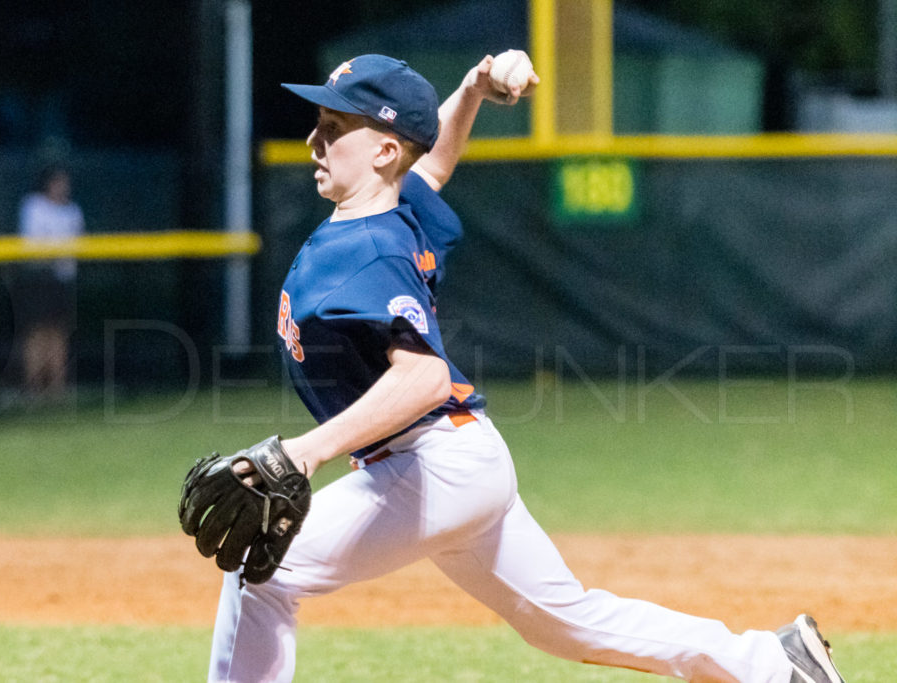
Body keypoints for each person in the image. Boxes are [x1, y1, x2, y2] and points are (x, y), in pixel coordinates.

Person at [208, 54, 846, 683]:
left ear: (382, 153)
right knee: (567, 622)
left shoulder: (370, 252)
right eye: (319, 120)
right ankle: (774, 663)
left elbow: (425, 377)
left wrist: (303, 451)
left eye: (336, 125)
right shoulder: (397, 211)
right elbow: (430, 164)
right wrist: (471, 91)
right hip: (455, 460)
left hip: (430, 462)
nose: (315, 139)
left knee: (264, 569)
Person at [15, 163, 83, 397]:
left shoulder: (73, 210)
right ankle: (33, 387)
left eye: (65, 183)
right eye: (57, 182)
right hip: (38, 277)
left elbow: (75, 246)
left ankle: (57, 388)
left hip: (62, 279)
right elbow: (34, 243)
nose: (62, 187)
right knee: (36, 332)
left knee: (58, 332)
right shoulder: (33, 206)